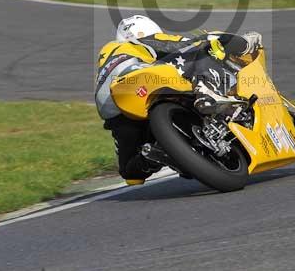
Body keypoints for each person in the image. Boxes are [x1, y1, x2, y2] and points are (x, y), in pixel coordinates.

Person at [95, 15, 262, 185]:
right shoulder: (137, 41)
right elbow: (184, 43)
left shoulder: (109, 55)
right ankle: (207, 93)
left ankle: (156, 154)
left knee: (131, 173)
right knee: (201, 49)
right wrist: (232, 41)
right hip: (141, 80)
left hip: (116, 108)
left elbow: (132, 178)